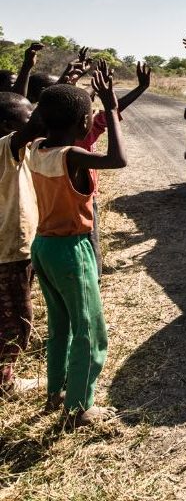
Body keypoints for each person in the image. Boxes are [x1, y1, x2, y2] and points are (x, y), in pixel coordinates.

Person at [27, 70, 126, 427]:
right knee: (89, 329)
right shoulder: (72, 156)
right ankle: (80, 407)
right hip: (72, 250)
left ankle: (56, 392)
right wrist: (112, 110)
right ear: (85, 121)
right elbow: (118, 159)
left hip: (43, 247)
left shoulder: (37, 148)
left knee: (60, 324)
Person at [76, 61, 151, 282]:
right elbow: (114, 113)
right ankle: (94, 284)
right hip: (87, 202)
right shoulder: (83, 138)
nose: (95, 113)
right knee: (91, 246)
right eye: (91, 111)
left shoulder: (43, 141)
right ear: (83, 121)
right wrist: (136, 90)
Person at [0, 93, 43, 398]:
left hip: (14, 250)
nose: (36, 120)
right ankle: (5, 383)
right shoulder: (7, 148)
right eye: (28, 117)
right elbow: (38, 124)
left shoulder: (14, 150)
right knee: (15, 324)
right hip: (10, 255)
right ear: (7, 126)